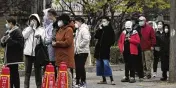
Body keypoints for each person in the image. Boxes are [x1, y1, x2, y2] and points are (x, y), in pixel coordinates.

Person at [23, 14, 45, 88]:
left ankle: (39, 86)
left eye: (34, 20)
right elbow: (24, 36)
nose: (33, 21)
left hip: (37, 54)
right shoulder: (27, 29)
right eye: (31, 20)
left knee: (38, 72)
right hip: (28, 53)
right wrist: (30, 28)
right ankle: (26, 86)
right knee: (27, 72)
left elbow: (44, 40)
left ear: (38, 21)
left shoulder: (41, 30)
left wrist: (40, 37)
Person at [1, 17, 24, 88]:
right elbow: (5, 44)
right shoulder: (8, 31)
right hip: (9, 57)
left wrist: (8, 40)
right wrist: (2, 41)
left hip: (14, 58)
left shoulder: (17, 31)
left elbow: (20, 44)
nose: (6, 24)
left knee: (14, 75)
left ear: (11, 23)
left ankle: (16, 86)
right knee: (10, 74)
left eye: (7, 23)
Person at [52, 14, 75, 84]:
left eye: (60, 20)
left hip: (66, 56)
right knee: (60, 75)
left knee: (67, 74)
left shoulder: (69, 30)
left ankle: (69, 86)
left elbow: (68, 42)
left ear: (64, 21)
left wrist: (57, 43)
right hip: (59, 56)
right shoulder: (60, 29)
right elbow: (57, 39)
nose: (59, 22)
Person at [94, 17, 115, 85]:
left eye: (104, 21)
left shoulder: (110, 29)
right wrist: (99, 30)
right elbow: (96, 36)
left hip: (105, 49)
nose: (103, 22)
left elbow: (113, 40)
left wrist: (108, 45)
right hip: (99, 49)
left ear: (108, 22)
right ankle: (104, 79)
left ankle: (112, 79)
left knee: (106, 64)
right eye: (102, 21)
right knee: (100, 64)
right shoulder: (101, 29)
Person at [74, 17, 91, 87]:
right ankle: (77, 81)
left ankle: (83, 82)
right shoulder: (78, 30)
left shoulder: (84, 29)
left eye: (76, 22)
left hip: (83, 51)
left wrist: (79, 46)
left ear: (80, 22)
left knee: (81, 66)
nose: (75, 24)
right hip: (78, 51)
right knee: (77, 67)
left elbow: (86, 39)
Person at [43, 8, 57, 79]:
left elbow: (53, 36)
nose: (47, 17)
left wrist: (48, 41)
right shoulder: (51, 24)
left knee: (53, 63)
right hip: (49, 46)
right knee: (51, 63)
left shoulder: (56, 24)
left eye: (48, 15)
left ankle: (54, 79)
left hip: (53, 47)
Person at [131, 13, 144, 80]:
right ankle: (138, 73)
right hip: (135, 45)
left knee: (138, 61)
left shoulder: (136, 27)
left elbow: (139, 37)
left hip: (137, 45)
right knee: (136, 61)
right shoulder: (134, 27)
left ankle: (140, 74)